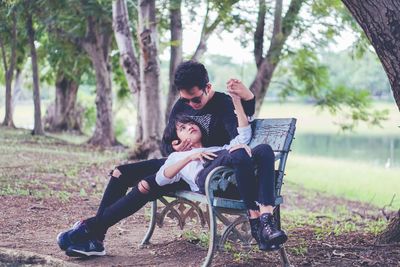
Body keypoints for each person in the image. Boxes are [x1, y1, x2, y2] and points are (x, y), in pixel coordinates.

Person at [56, 61, 276, 257]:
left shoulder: (222, 103)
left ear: (207, 87)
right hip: (177, 160)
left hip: (200, 167)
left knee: (146, 186)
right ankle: (96, 238)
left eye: (195, 99)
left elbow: (241, 132)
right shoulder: (182, 104)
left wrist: (246, 99)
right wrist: (176, 146)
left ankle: (90, 230)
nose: (190, 104)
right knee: (119, 173)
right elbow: (166, 143)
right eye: (185, 99)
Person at [155, 92, 287, 251]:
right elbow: (160, 180)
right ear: (176, 139)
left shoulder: (217, 148)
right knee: (237, 152)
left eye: (190, 123)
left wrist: (236, 101)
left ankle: (265, 221)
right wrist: (190, 158)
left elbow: (243, 135)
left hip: (232, 183)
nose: (189, 126)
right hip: (208, 181)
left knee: (264, 150)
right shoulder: (177, 156)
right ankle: (256, 219)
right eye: (182, 128)